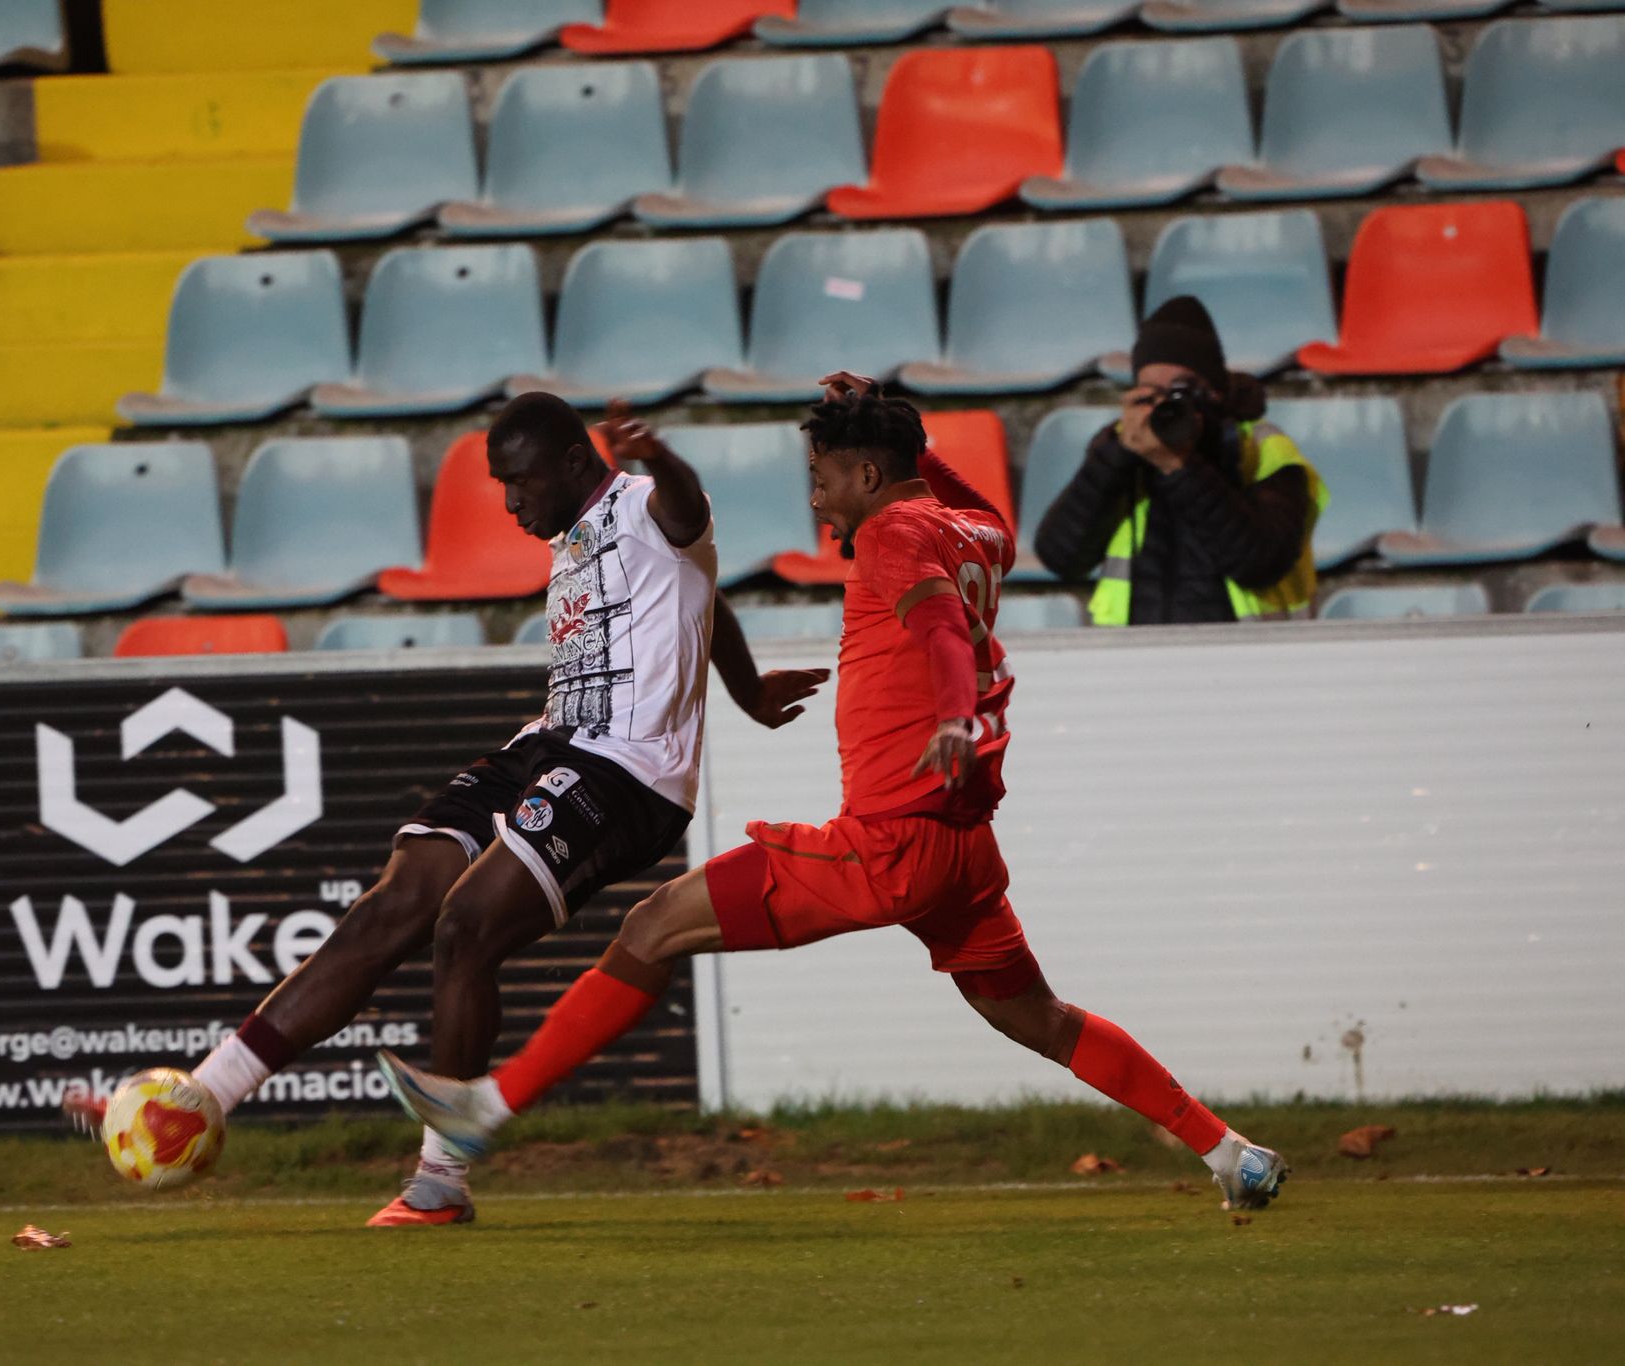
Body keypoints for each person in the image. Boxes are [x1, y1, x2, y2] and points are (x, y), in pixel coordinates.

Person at [377, 379, 1290, 1213]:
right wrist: (912, 444)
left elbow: (935, 626)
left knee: (652, 928)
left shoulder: (894, 538)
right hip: (961, 850)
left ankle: (484, 1109)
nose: (814, 498)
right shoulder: (968, 529)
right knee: (1039, 1018)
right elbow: (967, 511)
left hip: (885, 847)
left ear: (865, 473)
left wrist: (957, 717)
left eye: (822, 477)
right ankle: (1229, 1151)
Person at [68, 392, 828, 1227]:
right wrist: (745, 686)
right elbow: (702, 597)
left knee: (465, 926)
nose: (509, 504)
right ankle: (199, 1095)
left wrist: (663, 460)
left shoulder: (647, 504)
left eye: (520, 482)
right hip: (551, 742)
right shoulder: (577, 538)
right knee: (390, 907)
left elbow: (689, 527)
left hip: (631, 771)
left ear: (577, 464)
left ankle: (441, 1181)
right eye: (501, 485)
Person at [1034, 296, 1327, 626]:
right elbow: (1061, 557)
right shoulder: (1125, 446)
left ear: (1215, 391)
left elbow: (1260, 561)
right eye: (1151, 393)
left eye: (1181, 391)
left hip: (1247, 657)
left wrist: (1180, 467)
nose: (1166, 406)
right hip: (1136, 655)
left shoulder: (1261, 448)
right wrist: (1115, 457)